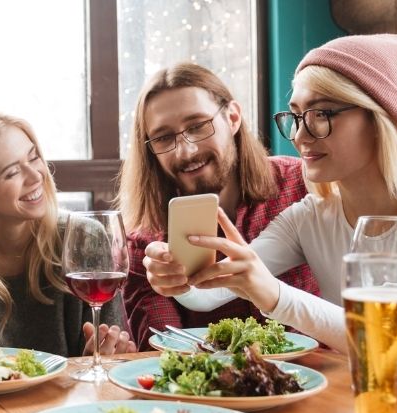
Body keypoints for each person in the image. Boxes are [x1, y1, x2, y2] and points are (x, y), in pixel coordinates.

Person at [143, 34, 397, 402]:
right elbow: (212, 292)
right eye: (295, 116)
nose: (299, 135)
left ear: (380, 118)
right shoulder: (308, 217)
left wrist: (273, 295)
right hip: (374, 401)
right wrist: (175, 273)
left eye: (321, 114)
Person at [116, 63, 318, 350]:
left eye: (198, 126)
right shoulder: (146, 245)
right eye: (164, 137)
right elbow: (164, 354)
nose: (186, 151)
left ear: (233, 117)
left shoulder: (302, 186)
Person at [0, 110, 137, 356]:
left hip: (77, 395)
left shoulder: (85, 237)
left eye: (33, 158)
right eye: (11, 173)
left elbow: (111, 354)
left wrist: (99, 359)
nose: (36, 176)